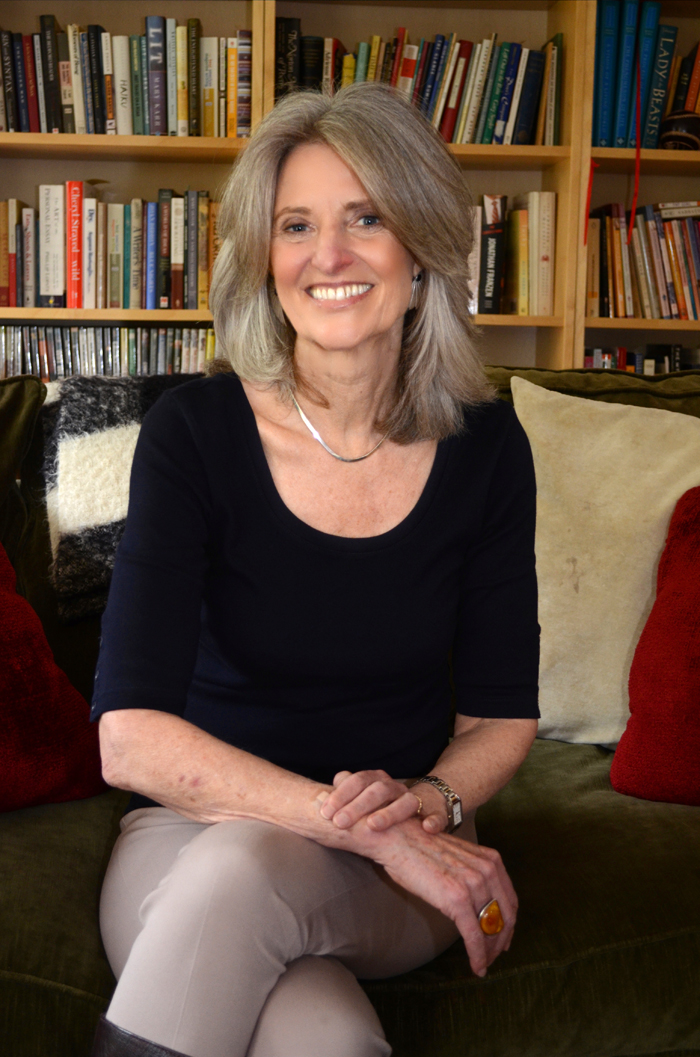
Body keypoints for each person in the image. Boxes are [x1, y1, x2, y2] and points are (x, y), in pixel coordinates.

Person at [90, 82, 539, 1057]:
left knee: (248, 874)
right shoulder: (193, 435)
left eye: (365, 218)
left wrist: (422, 809)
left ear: (421, 248)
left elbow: (500, 718)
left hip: (398, 859)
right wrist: (362, 824)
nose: (327, 256)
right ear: (266, 258)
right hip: (193, 832)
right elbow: (128, 741)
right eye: (296, 226)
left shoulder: (489, 448)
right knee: (323, 1034)